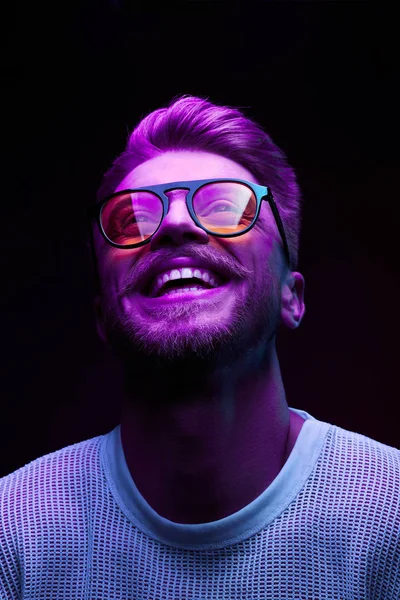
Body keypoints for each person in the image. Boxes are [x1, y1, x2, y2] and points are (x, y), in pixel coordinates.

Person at [1, 95, 399, 599]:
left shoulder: (390, 515)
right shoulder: (14, 534)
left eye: (224, 207)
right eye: (133, 220)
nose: (174, 224)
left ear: (291, 296)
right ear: (103, 316)